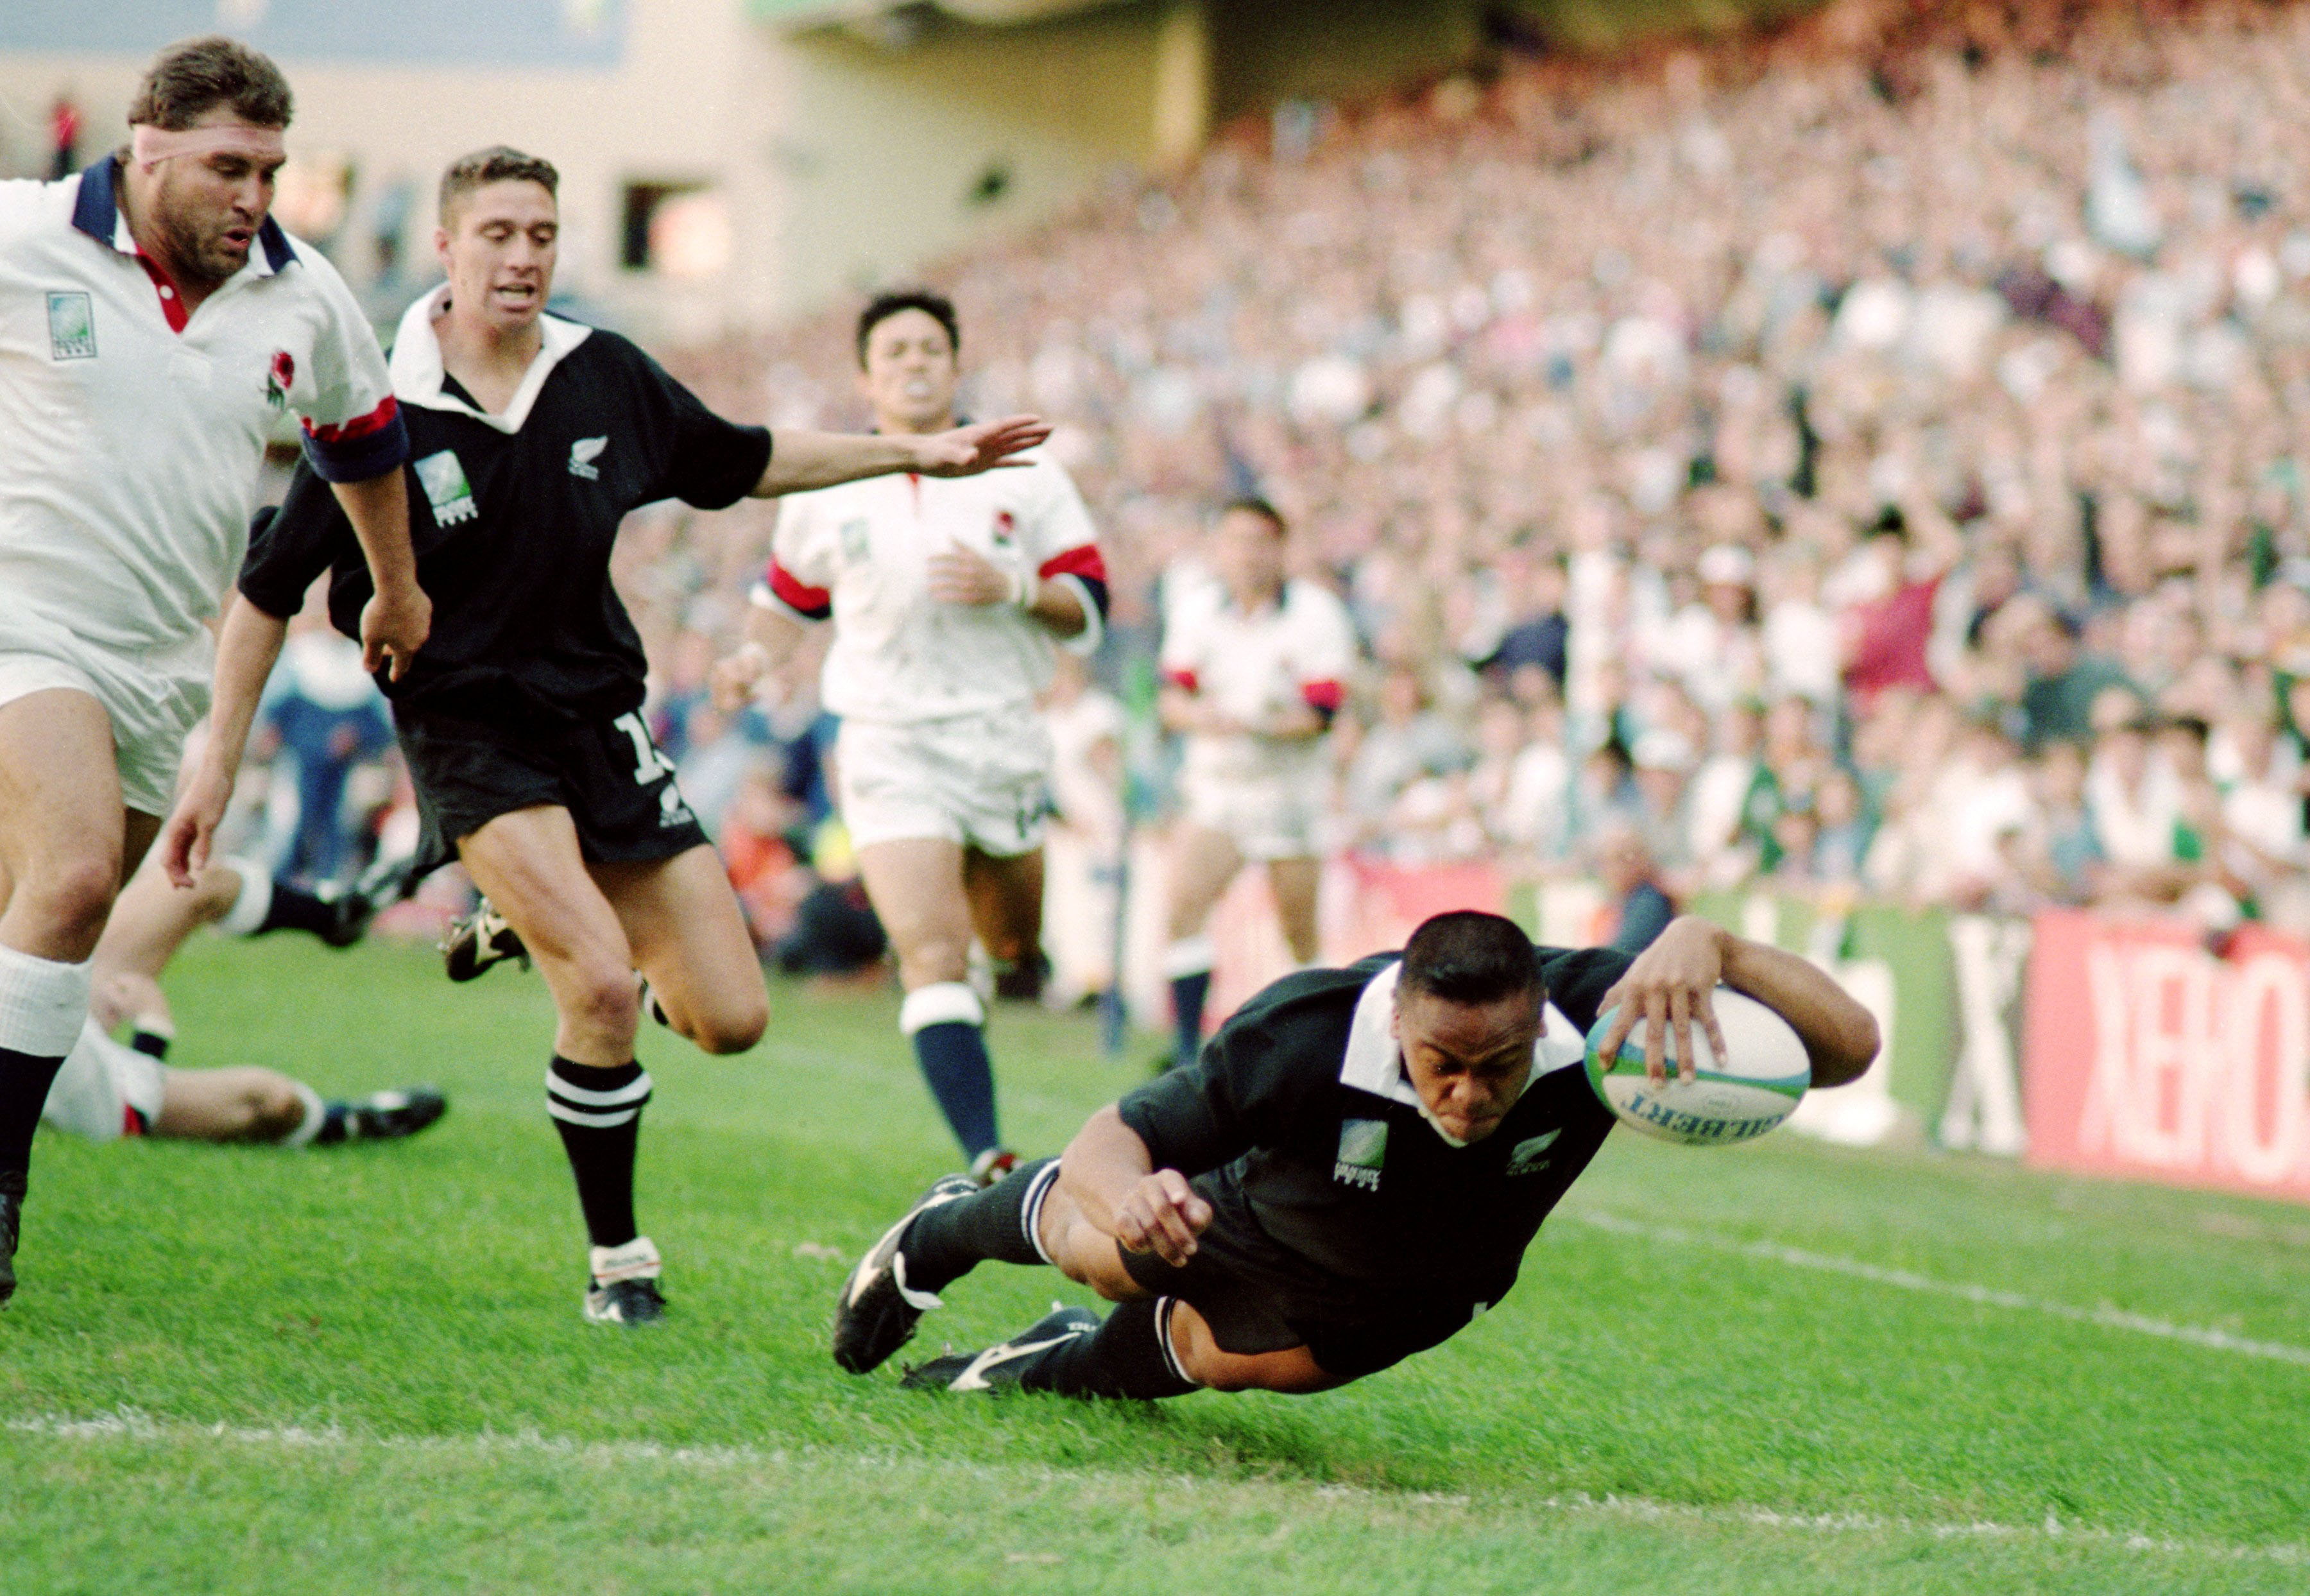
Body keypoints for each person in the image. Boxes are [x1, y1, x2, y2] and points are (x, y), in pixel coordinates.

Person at [168, 152, 1048, 1328]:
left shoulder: (601, 375)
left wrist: (913, 450)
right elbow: (267, 591)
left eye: (541, 232)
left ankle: (517, 919)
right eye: (497, 234)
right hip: (467, 727)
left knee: (730, 1021)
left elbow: (744, 459)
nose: (523, 255)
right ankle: (618, 1260)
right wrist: (217, 758)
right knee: (597, 986)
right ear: (447, 247)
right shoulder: (379, 395)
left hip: (599, 717)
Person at [0, 37, 428, 1308]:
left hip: (158, 665)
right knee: (77, 881)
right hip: (24, 621)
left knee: (34, 931)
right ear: (146, 143)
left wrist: (396, 585)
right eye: (230, 167)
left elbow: (362, 434)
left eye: (273, 172)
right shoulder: (25, 238)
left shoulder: (302, 295)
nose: (255, 197)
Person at [832, 909, 1877, 1400]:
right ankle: (944, 1227)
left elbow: (1846, 1051)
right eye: (1440, 1065)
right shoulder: (1306, 1032)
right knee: (1108, 1248)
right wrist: (1133, 1194)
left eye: (1500, 1067)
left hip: (1429, 1285)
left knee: (1225, 1365)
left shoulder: (1613, 1017)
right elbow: (1116, 1135)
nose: (1468, 1093)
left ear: (1538, 1028)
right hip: (1258, 1224)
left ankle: (1032, 1367)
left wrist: (1723, 946)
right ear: (1402, 1024)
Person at [714, 289, 1106, 1183]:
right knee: (930, 950)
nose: (914, 363)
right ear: (866, 374)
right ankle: (988, 1152)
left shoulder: (1028, 472)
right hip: (886, 737)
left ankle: (1014, 963)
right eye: (894, 352)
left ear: (956, 363)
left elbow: (1089, 602)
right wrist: (749, 657)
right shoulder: (830, 478)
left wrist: (1010, 584)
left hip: (999, 735)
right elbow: (789, 599)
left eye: (930, 348)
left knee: (1009, 946)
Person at [1155, 499, 1356, 1070]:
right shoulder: (1197, 609)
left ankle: (1321, 1051)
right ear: (1220, 547)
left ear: (1280, 548)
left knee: (1298, 930)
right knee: (1183, 905)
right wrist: (1202, 720)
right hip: (1218, 787)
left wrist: (1259, 724)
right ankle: (1185, 1050)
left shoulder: (1316, 614)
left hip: (1289, 794)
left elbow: (1322, 713)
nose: (1247, 554)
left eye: (1259, 541)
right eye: (1236, 540)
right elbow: (1172, 697)